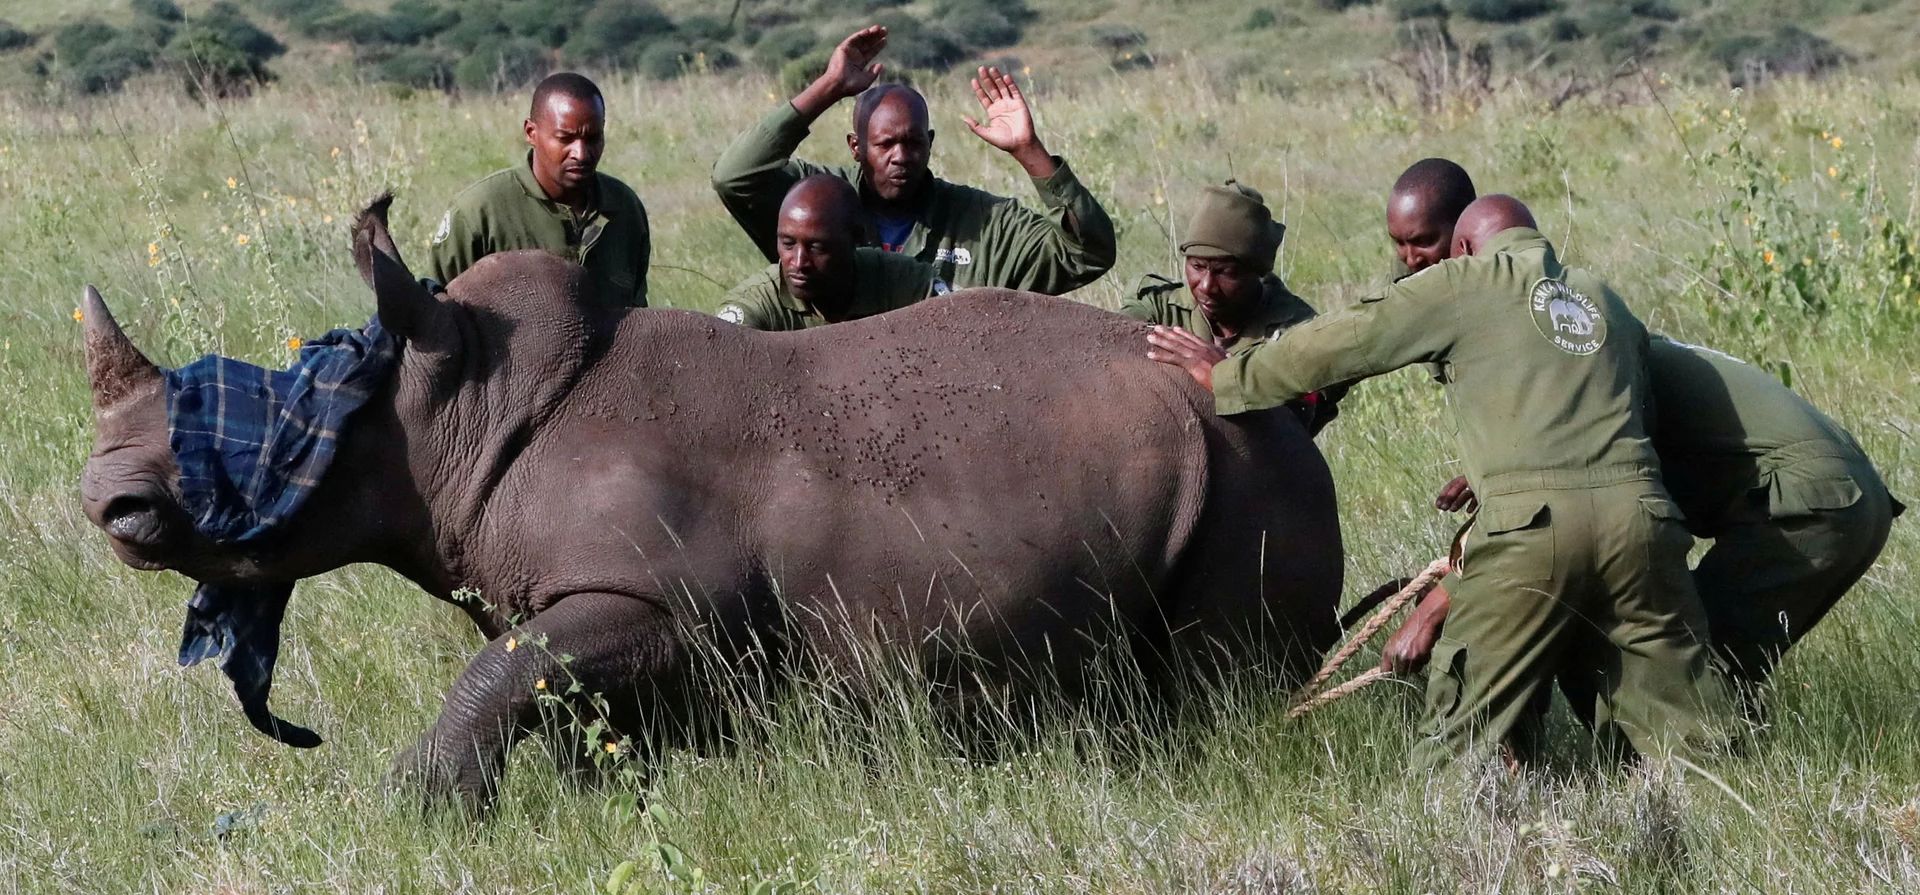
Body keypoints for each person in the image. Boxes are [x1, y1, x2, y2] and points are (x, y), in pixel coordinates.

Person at [1146, 196, 1736, 768]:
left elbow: (1353, 339)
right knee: (1690, 725)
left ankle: (1462, 835)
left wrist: (1232, 376)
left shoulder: (1466, 280)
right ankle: (1725, 824)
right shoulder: (1605, 298)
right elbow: (1633, 414)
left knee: (1460, 742)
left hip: (1531, 534)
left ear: (1464, 246)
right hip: (1641, 518)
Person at [710, 26, 1116, 294]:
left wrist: (1030, 151)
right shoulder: (816, 203)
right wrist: (830, 87)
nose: (900, 157)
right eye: (884, 145)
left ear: (930, 144)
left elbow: (1088, 254)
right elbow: (735, 176)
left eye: (913, 143)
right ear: (856, 147)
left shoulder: (982, 223)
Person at [1119, 181, 1341, 435]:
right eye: (1197, 266)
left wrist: (1225, 374)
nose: (1206, 286)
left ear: (1256, 272)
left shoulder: (1299, 331)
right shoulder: (1157, 307)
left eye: (1225, 272)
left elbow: (1294, 426)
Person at [427, 72, 650, 306]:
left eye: (593, 138)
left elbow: (636, 312)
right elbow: (434, 316)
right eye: (565, 139)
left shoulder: (624, 207)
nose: (581, 154)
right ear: (531, 133)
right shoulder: (478, 213)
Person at [716, 175, 946, 331]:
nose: (798, 262)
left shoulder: (905, 283)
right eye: (787, 244)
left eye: (817, 247)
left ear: (857, 238)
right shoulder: (756, 305)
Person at [1386, 157, 1477, 279]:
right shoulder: (1403, 274)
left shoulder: (1501, 275)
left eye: (1422, 241)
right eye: (1400, 243)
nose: (1411, 261)